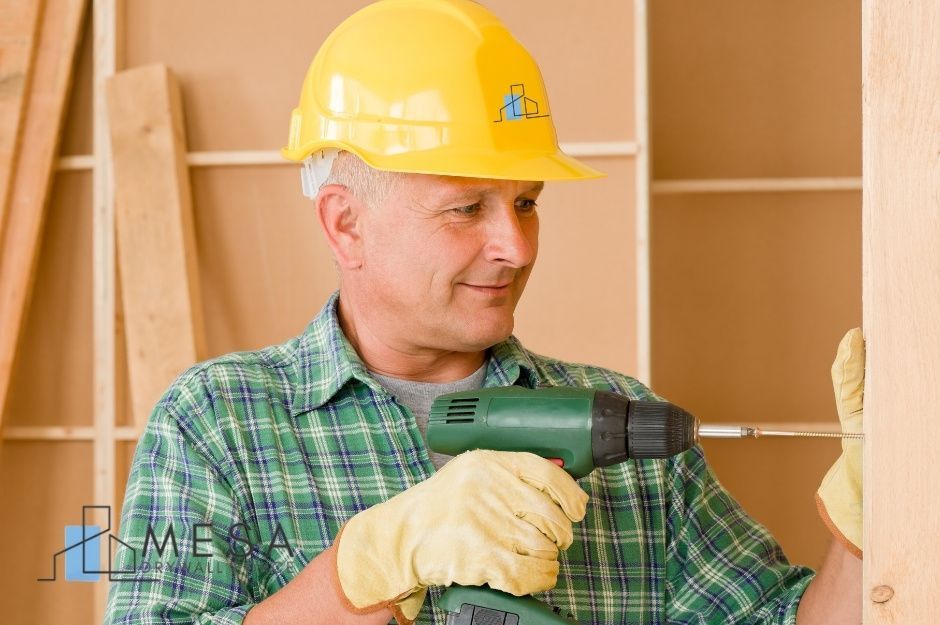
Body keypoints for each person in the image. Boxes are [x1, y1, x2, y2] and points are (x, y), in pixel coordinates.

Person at [104, 1, 863, 623]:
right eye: (468, 207)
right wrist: (364, 570)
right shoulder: (218, 424)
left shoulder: (627, 435)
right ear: (346, 223)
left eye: (526, 203)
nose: (515, 245)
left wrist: (871, 517)